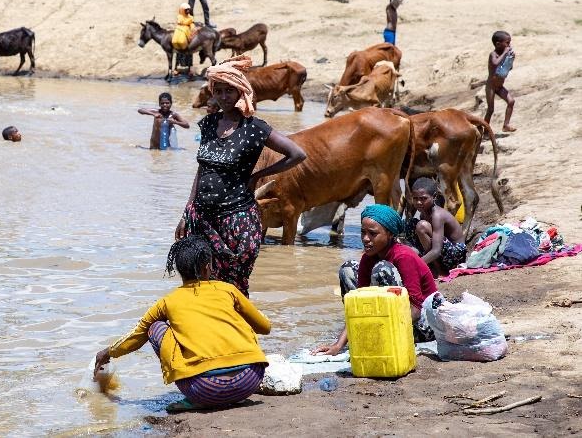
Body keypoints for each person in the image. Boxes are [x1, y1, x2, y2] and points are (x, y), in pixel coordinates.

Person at [175, 54, 306, 296]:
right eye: (219, 90)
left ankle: (236, 328)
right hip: (202, 217)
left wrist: (259, 175)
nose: (224, 97)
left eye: (229, 91)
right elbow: (203, 168)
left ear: (240, 92)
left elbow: (297, 154)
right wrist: (187, 211)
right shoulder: (209, 123)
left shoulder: (254, 127)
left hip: (237, 220)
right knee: (200, 285)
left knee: (233, 287)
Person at [93, 236, 271, 413]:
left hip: (204, 389)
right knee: (240, 319)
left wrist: (108, 352)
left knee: (154, 327)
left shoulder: (167, 302)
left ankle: (197, 400)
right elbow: (265, 327)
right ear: (208, 267)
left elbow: (136, 336)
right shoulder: (228, 290)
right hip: (249, 380)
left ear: (179, 270)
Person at [312, 204, 437, 356]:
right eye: (362, 232)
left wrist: (380, 336)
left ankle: (381, 332)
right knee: (348, 268)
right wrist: (338, 346)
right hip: (393, 319)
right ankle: (373, 328)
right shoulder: (368, 257)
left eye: (372, 234)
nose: (365, 239)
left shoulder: (403, 256)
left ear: (390, 234)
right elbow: (356, 305)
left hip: (422, 323)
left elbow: (416, 309)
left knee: (382, 269)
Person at [404, 178, 472, 277]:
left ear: (434, 196)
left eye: (423, 198)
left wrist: (415, 265)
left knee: (421, 226)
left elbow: (436, 250)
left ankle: (438, 270)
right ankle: (430, 265)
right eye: (415, 198)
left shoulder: (437, 215)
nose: (418, 202)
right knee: (411, 225)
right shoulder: (424, 213)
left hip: (454, 255)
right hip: (441, 251)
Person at [485, 30, 516, 132]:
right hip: (491, 87)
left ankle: (506, 125)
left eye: (509, 42)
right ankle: (484, 131)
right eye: (507, 43)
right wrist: (505, 53)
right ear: (498, 44)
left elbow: (507, 69)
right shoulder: (493, 54)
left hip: (499, 86)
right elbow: (495, 64)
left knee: (511, 101)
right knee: (490, 109)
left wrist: (510, 59)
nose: (509, 45)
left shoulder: (504, 54)